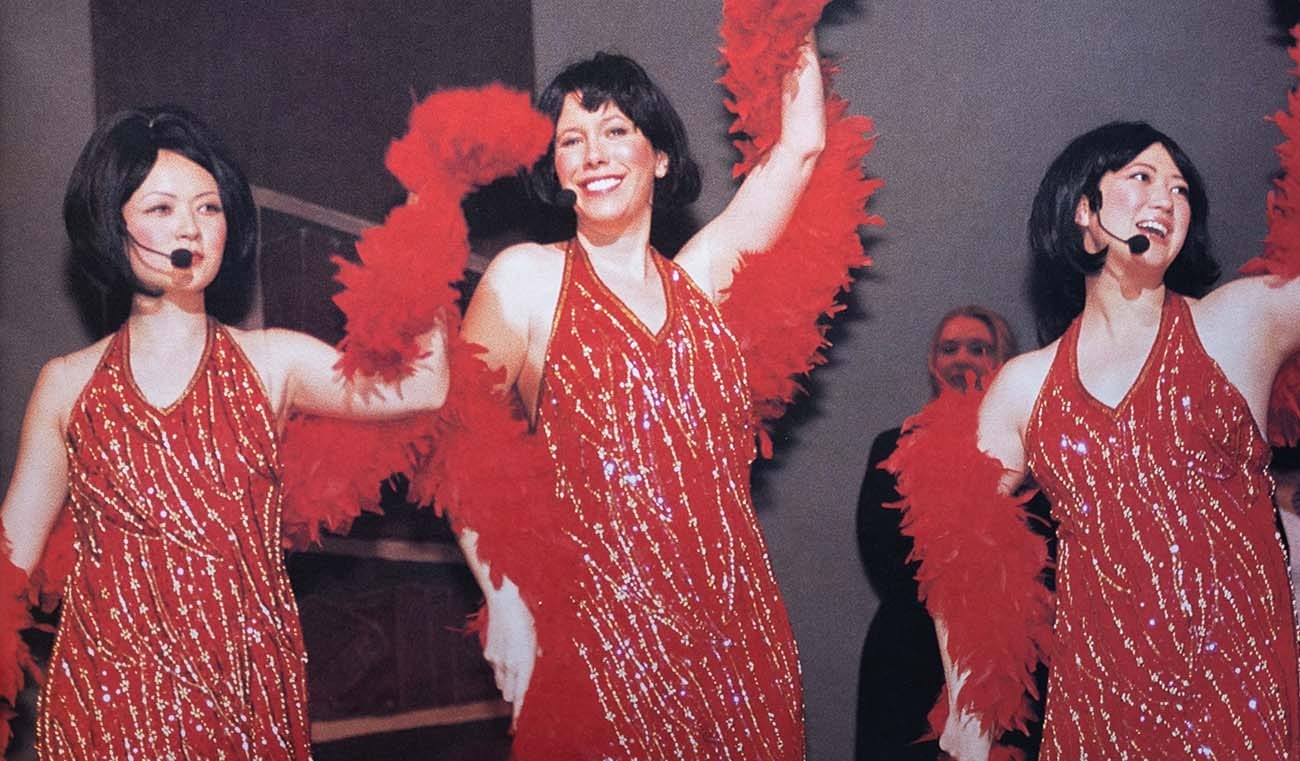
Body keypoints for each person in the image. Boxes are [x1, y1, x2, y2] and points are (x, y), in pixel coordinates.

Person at [0, 106, 449, 759]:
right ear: (110, 219)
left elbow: (426, 386)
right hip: (105, 710)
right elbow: (11, 554)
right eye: (160, 207)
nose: (189, 225)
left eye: (208, 207)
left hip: (246, 703)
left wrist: (427, 239)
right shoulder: (65, 384)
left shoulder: (276, 362)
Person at [454, 38, 825, 759]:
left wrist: (791, 22)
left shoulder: (707, 280)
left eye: (616, 130)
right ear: (555, 170)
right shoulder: (526, 279)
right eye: (571, 139)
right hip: (600, 646)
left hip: (739, 642)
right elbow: (456, 435)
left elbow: (802, 145)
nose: (593, 153)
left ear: (659, 157)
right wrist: (501, 595)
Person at [932, 122, 1300, 760]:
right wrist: (970, 721)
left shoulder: (1240, 320)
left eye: (1181, 190)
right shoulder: (1025, 385)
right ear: (1084, 212)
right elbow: (961, 555)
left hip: (1235, 697)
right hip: (1096, 707)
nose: (1167, 199)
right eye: (1142, 177)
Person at [856, 305, 1050, 760]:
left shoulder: (1034, 458)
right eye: (949, 348)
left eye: (978, 348)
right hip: (911, 661)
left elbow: (1049, 558)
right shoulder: (893, 448)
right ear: (932, 363)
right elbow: (886, 557)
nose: (962, 358)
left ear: (1002, 363)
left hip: (1012, 668)